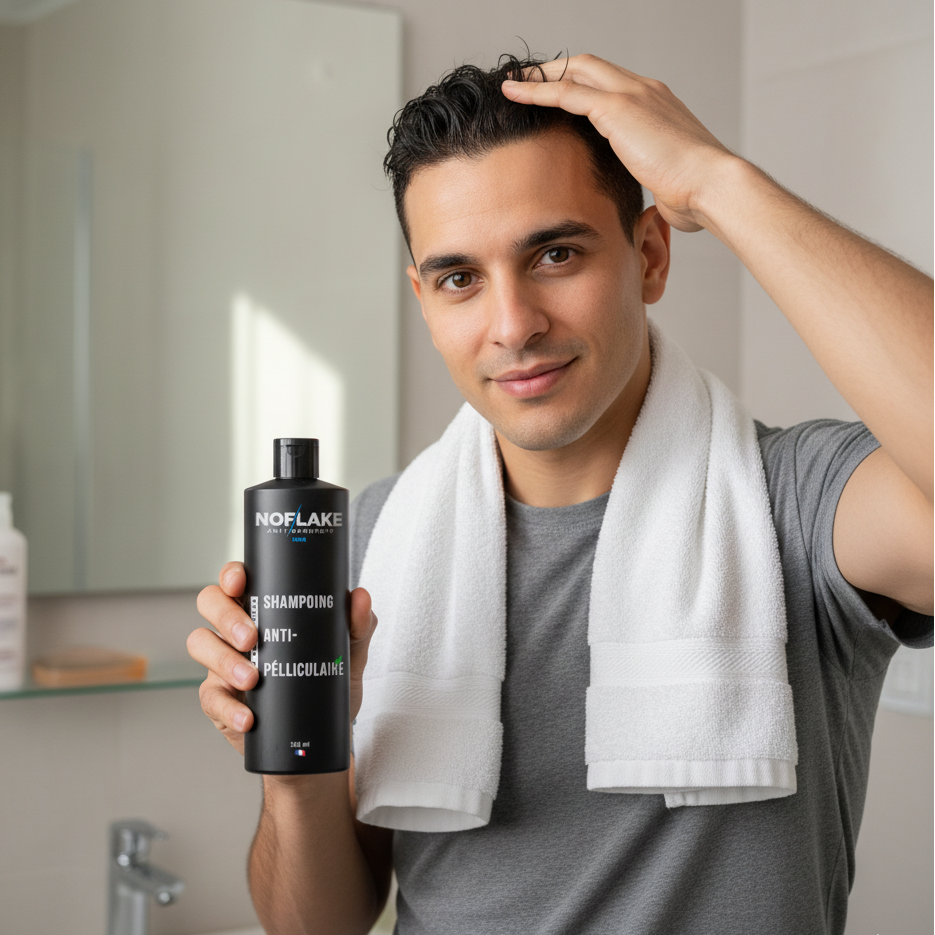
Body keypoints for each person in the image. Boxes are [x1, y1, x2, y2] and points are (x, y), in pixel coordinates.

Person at [187, 54, 934, 935]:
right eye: (459, 277)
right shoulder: (374, 539)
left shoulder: (798, 507)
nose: (512, 325)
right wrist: (297, 770)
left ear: (649, 254)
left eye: (554, 253)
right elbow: (316, 925)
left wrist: (716, 181)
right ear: (424, 301)